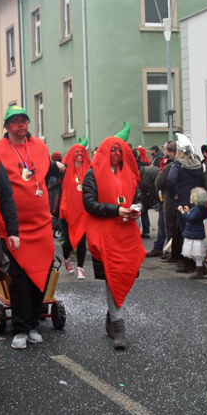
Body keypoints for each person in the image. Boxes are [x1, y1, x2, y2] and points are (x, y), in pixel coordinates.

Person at [0, 106, 59, 349]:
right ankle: (20, 328)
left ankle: (32, 324)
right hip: (12, 227)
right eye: (14, 121)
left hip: (41, 225)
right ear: (6, 126)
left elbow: (44, 176)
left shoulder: (40, 147)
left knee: (41, 273)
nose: (20, 125)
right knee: (18, 277)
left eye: (23, 120)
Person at [82, 123, 144, 350]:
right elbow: (89, 204)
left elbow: (138, 198)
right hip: (104, 235)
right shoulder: (92, 174)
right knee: (112, 277)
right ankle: (119, 325)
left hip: (127, 234)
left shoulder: (129, 173)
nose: (117, 154)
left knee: (124, 275)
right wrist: (115, 209)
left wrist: (137, 209)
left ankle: (111, 315)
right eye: (113, 149)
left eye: (120, 150)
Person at [167, 134, 206, 273]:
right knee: (195, 231)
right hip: (196, 200)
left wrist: (173, 195)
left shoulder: (178, 164)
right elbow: (203, 181)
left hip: (183, 201)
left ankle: (189, 263)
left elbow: (171, 180)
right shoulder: (197, 161)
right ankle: (198, 262)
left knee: (186, 232)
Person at [59, 140, 90, 280]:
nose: (79, 154)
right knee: (69, 242)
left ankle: (80, 268)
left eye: (82, 151)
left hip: (83, 212)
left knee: (82, 240)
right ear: (72, 154)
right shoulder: (64, 170)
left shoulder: (89, 170)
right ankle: (66, 258)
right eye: (76, 151)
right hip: (67, 211)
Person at [178, 187, 207, 280]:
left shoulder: (197, 209)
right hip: (194, 233)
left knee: (196, 253)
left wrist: (182, 212)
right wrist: (188, 212)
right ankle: (202, 268)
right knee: (194, 253)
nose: (190, 198)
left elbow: (190, 219)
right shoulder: (199, 209)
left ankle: (199, 271)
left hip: (194, 234)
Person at [155, 142, 176, 261]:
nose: (165, 153)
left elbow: (159, 183)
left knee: (169, 226)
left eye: (167, 151)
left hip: (170, 199)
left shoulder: (170, 166)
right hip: (183, 200)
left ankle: (171, 253)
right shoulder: (193, 163)